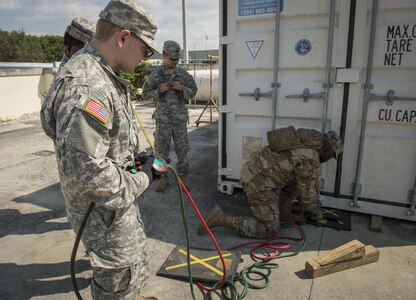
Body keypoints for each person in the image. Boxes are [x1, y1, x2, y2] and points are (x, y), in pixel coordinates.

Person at [40, 0, 159, 299]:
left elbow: (96, 145)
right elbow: (88, 173)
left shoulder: (100, 73)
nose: (145, 58)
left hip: (112, 208)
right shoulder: (87, 86)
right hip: (104, 214)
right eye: (145, 50)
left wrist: (132, 159)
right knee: (118, 284)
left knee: (128, 276)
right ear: (123, 37)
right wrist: (143, 177)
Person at [198, 127, 343, 239]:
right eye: (332, 154)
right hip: (259, 183)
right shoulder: (310, 159)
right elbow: (308, 198)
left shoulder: (306, 144)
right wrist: (317, 213)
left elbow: (299, 188)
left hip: (256, 173)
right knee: (269, 230)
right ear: (328, 148)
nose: (330, 157)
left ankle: (284, 218)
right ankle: (220, 219)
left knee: (295, 184)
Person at [141, 40, 198, 192]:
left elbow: (194, 90)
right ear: (164, 55)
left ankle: (183, 177)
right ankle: (162, 178)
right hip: (163, 121)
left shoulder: (182, 74)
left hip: (179, 120)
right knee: (161, 152)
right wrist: (157, 91)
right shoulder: (155, 75)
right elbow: (144, 95)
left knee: (183, 150)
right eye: (172, 59)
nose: (175, 62)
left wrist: (183, 89)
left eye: (177, 59)